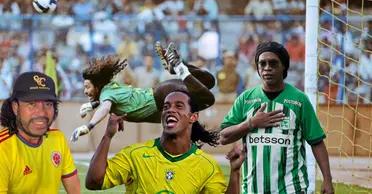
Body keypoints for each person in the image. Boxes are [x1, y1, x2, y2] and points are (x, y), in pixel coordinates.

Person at [219, 42, 334, 194]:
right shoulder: (245, 99)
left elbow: (317, 142)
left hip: (292, 188)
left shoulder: (299, 100)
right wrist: (251, 123)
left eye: (273, 63)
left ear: (284, 66)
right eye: (262, 63)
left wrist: (327, 180)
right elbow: (223, 137)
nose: (267, 68)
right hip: (253, 189)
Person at [85, 90, 244, 193]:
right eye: (166, 107)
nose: (170, 110)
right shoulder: (136, 155)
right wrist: (108, 136)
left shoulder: (207, 166)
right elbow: (93, 182)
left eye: (179, 106)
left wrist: (235, 172)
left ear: (193, 117)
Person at [70, 42, 216, 142]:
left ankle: (179, 68)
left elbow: (105, 107)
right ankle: (177, 68)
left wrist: (88, 126)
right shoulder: (110, 88)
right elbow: (107, 104)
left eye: (87, 87)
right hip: (162, 92)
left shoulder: (106, 96)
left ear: (97, 86)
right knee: (209, 81)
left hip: (161, 98)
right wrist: (92, 105)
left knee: (208, 99)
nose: (85, 91)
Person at [0, 71, 80, 194]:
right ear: (15, 107)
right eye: (31, 104)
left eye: (48, 104)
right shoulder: (3, 149)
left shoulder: (58, 139)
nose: (41, 112)